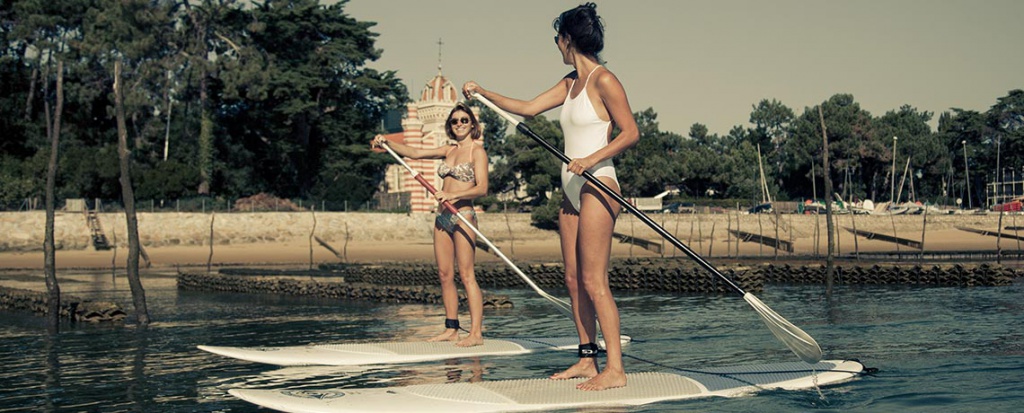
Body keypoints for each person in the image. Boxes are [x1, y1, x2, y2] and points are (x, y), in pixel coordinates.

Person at [462, 2, 638, 391]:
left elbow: (630, 132)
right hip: (571, 189)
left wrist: (591, 158)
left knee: (595, 281)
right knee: (574, 281)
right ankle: (588, 359)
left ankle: (616, 369)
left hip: (598, 185)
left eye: (557, 39)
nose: (556, 46)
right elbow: (526, 109)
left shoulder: (604, 80)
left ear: (567, 39)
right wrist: (483, 92)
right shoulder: (569, 83)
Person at [371, 102, 489, 347]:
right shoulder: (448, 151)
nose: (459, 124)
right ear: (450, 125)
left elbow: (482, 188)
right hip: (442, 217)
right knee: (445, 275)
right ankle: (451, 328)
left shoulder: (477, 152)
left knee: (466, 275)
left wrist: (454, 196)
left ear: (472, 124)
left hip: (464, 215)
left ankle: (476, 333)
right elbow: (414, 153)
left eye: (464, 120)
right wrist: (387, 143)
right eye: (455, 121)